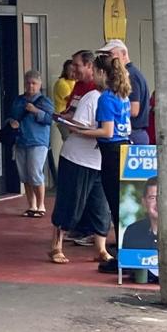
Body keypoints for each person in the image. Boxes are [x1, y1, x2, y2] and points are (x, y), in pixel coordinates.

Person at [47, 61, 113, 265]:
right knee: (70, 203)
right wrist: (98, 132)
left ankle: (101, 249)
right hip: (78, 158)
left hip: (100, 161)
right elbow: (78, 125)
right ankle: (56, 246)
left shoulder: (116, 98)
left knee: (100, 207)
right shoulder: (91, 98)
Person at [92, 53, 132, 242]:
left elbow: (107, 131)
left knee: (114, 202)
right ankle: (122, 244)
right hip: (124, 147)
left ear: (101, 72)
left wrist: (81, 131)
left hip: (111, 152)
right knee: (121, 202)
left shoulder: (106, 98)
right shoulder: (122, 95)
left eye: (94, 71)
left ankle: (121, 247)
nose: (93, 76)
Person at [7, 70, 54, 218]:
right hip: (21, 140)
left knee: (35, 173)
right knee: (25, 175)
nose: (30, 86)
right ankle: (31, 205)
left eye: (34, 83)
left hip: (38, 141)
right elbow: (12, 116)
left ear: (39, 85)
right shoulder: (18, 100)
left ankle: (41, 205)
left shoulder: (44, 101)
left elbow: (50, 119)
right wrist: (11, 123)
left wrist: (36, 111)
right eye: (28, 83)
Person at [99, 40, 151, 145]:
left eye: (110, 54)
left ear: (123, 54)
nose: (107, 59)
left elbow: (134, 110)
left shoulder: (130, 75)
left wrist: (110, 111)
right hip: (128, 133)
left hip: (132, 133)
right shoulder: (130, 74)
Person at [121, 178, 159, 251]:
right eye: (152, 198)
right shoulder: (132, 232)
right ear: (144, 202)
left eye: (162, 197)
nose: (158, 203)